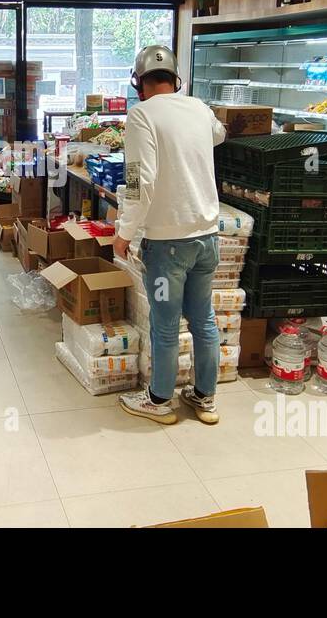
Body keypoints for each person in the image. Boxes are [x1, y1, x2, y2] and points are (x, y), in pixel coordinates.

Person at [112, 45, 227, 427]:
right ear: (176, 80)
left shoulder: (140, 115)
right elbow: (219, 134)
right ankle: (205, 397)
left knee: (165, 323)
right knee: (203, 320)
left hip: (167, 245)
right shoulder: (198, 109)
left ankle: (159, 400)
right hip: (207, 238)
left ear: (139, 83)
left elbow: (137, 181)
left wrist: (124, 233)